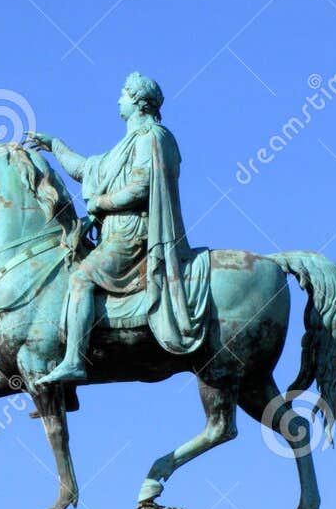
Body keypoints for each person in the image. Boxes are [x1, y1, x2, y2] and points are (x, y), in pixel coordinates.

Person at [25, 72, 208, 387]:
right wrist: (56, 146)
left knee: (80, 279)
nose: (118, 100)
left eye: (123, 94)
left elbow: (140, 187)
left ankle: (74, 361)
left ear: (138, 101)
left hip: (133, 234)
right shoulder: (126, 144)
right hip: (114, 233)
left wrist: (99, 203)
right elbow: (86, 169)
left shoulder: (152, 137)